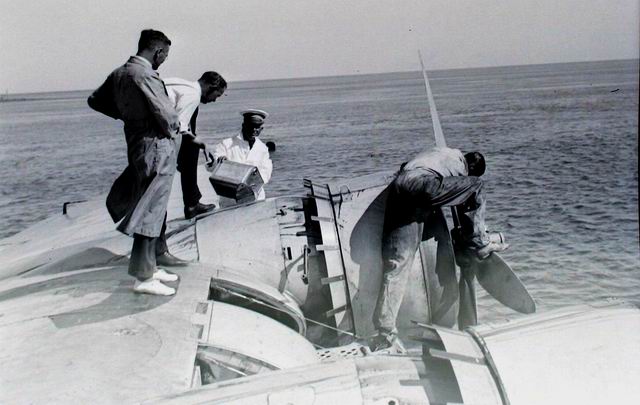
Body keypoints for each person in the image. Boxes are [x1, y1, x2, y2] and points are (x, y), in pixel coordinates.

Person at [369, 146, 509, 351]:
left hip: (399, 187)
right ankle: (479, 243)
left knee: (397, 264)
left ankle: (385, 332)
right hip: (422, 186)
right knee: (476, 186)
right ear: (469, 166)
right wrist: (469, 235)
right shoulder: (461, 167)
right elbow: (462, 198)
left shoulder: (440, 153)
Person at [87, 29, 188, 297]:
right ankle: (143, 276)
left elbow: (95, 101)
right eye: (164, 55)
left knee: (149, 203)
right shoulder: (145, 75)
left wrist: (128, 117)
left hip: (137, 142)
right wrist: (175, 128)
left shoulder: (120, 72)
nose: (164, 60)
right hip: (157, 145)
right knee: (150, 208)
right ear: (158, 52)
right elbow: (168, 116)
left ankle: (151, 266)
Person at [164, 72, 227, 219]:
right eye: (216, 96)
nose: (214, 101)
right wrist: (204, 144)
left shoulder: (184, 85)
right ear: (210, 87)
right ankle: (192, 204)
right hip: (158, 129)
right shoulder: (193, 95)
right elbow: (180, 128)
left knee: (191, 148)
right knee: (192, 147)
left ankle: (192, 202)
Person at [212, 109, 273, 200]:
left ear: (261, 129)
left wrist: (250, 186)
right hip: (230, 199)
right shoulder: (227, 144)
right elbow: (211, 166)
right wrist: (219, 162)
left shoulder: (263, 149)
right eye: (251, 126)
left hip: (256, 198)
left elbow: (266, 173)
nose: (254, 130)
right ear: (244, 125)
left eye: (257, 127)